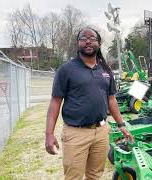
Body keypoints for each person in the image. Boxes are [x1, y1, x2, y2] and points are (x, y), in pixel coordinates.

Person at [45, 27, 134, 180]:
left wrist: (121, 125)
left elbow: (111, 99)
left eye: (92, 38)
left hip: (101, 132)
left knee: (94, 175)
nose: (88, 41)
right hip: (75, 133)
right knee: (73, 177)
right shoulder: (66, 70)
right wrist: (49, 134)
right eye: (83, 38)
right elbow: (55, 102)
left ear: (99, 43)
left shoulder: (105, 69)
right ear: (78, 43)